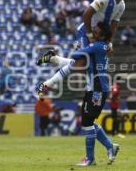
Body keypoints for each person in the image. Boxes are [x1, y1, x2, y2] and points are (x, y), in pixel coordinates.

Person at [38, 22, 120, 166]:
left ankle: (90, 159)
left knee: (87, 123)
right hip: (94, 87)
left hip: (97, 89)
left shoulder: (96, 46)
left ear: (102, 33)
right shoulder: (103, 45)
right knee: (89, 122)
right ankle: (110, 147)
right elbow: (80, 61)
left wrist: (78, 47)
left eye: (97, 29)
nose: (94, 30)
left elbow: (77, 55)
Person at [36, 0, 133, 90]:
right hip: (85, 32)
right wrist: (90, 35)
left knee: (84, 67)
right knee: (82, 64)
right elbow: (87, 14)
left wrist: (109, 43)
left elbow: (114, 25)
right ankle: (47, 84)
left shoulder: (121, 5)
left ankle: (53, 60)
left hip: (99, 36)